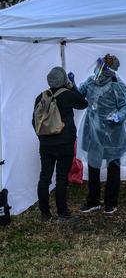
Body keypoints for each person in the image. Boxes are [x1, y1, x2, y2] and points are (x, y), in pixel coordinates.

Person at [77, 54, 126, 214]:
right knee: (93, 166)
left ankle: (111, 202)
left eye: (104, 67)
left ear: (111, 70)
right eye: (100, 66)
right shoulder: (91, 81)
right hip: (93, 130)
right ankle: (93, 201)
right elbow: (80, 95)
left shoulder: (117, 85)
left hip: (112, 132)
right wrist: (72, 85)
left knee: (113, 166)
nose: (100, 70)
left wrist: (118, 116)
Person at [33, 67, 88, 222]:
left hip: (46, 145)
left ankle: (45, 214)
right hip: (65, 144)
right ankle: (63, 213)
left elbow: (35, 122)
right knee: (62, 178)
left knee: (44, 178)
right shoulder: (68, 95)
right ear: (63, 80)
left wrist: (43, 139)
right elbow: (83, 103)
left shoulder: (41, 97)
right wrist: (71, 86)